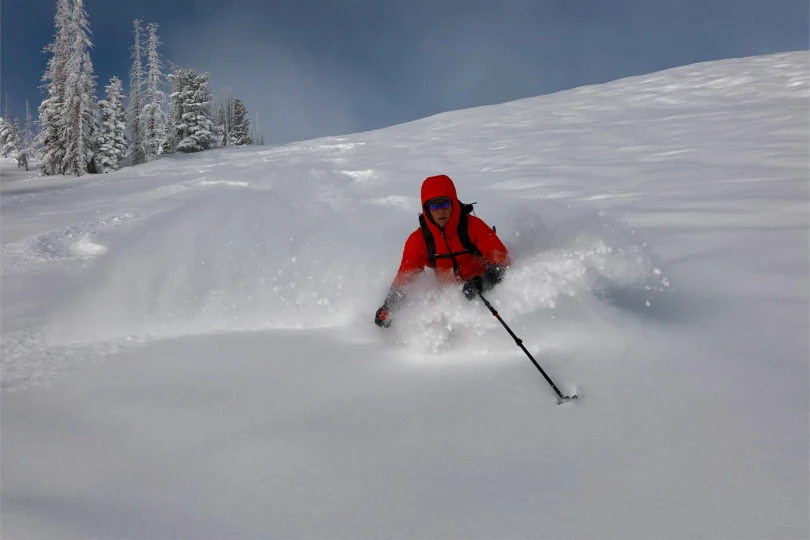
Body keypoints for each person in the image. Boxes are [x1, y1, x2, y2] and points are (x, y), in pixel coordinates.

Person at [375, 174, 510, 328]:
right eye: (434, 206)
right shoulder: (419, 240)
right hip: (449, 299)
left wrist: (483, 281)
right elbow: (404, 278)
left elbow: (501, 259)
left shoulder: (473, 227)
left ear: (453, 204)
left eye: (445, 205)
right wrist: (389, 307)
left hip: (485, 290)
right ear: (426, 209)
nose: (440, 212)